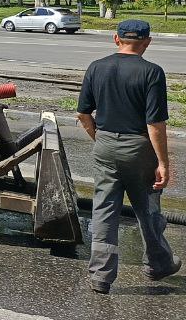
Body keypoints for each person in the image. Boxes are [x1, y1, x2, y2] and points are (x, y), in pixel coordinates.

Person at [77, 19, 179, 293]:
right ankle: (158, 264)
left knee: (104, 210)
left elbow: (83, 114)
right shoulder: (152, 72)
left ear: (116, 39)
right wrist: (163, 163)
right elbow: (155, 124)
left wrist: (100, 139)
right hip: (138, 148)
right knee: (148, 208)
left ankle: (100, 276)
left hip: (105, 144)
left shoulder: (96, 67)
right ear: (147, 42)